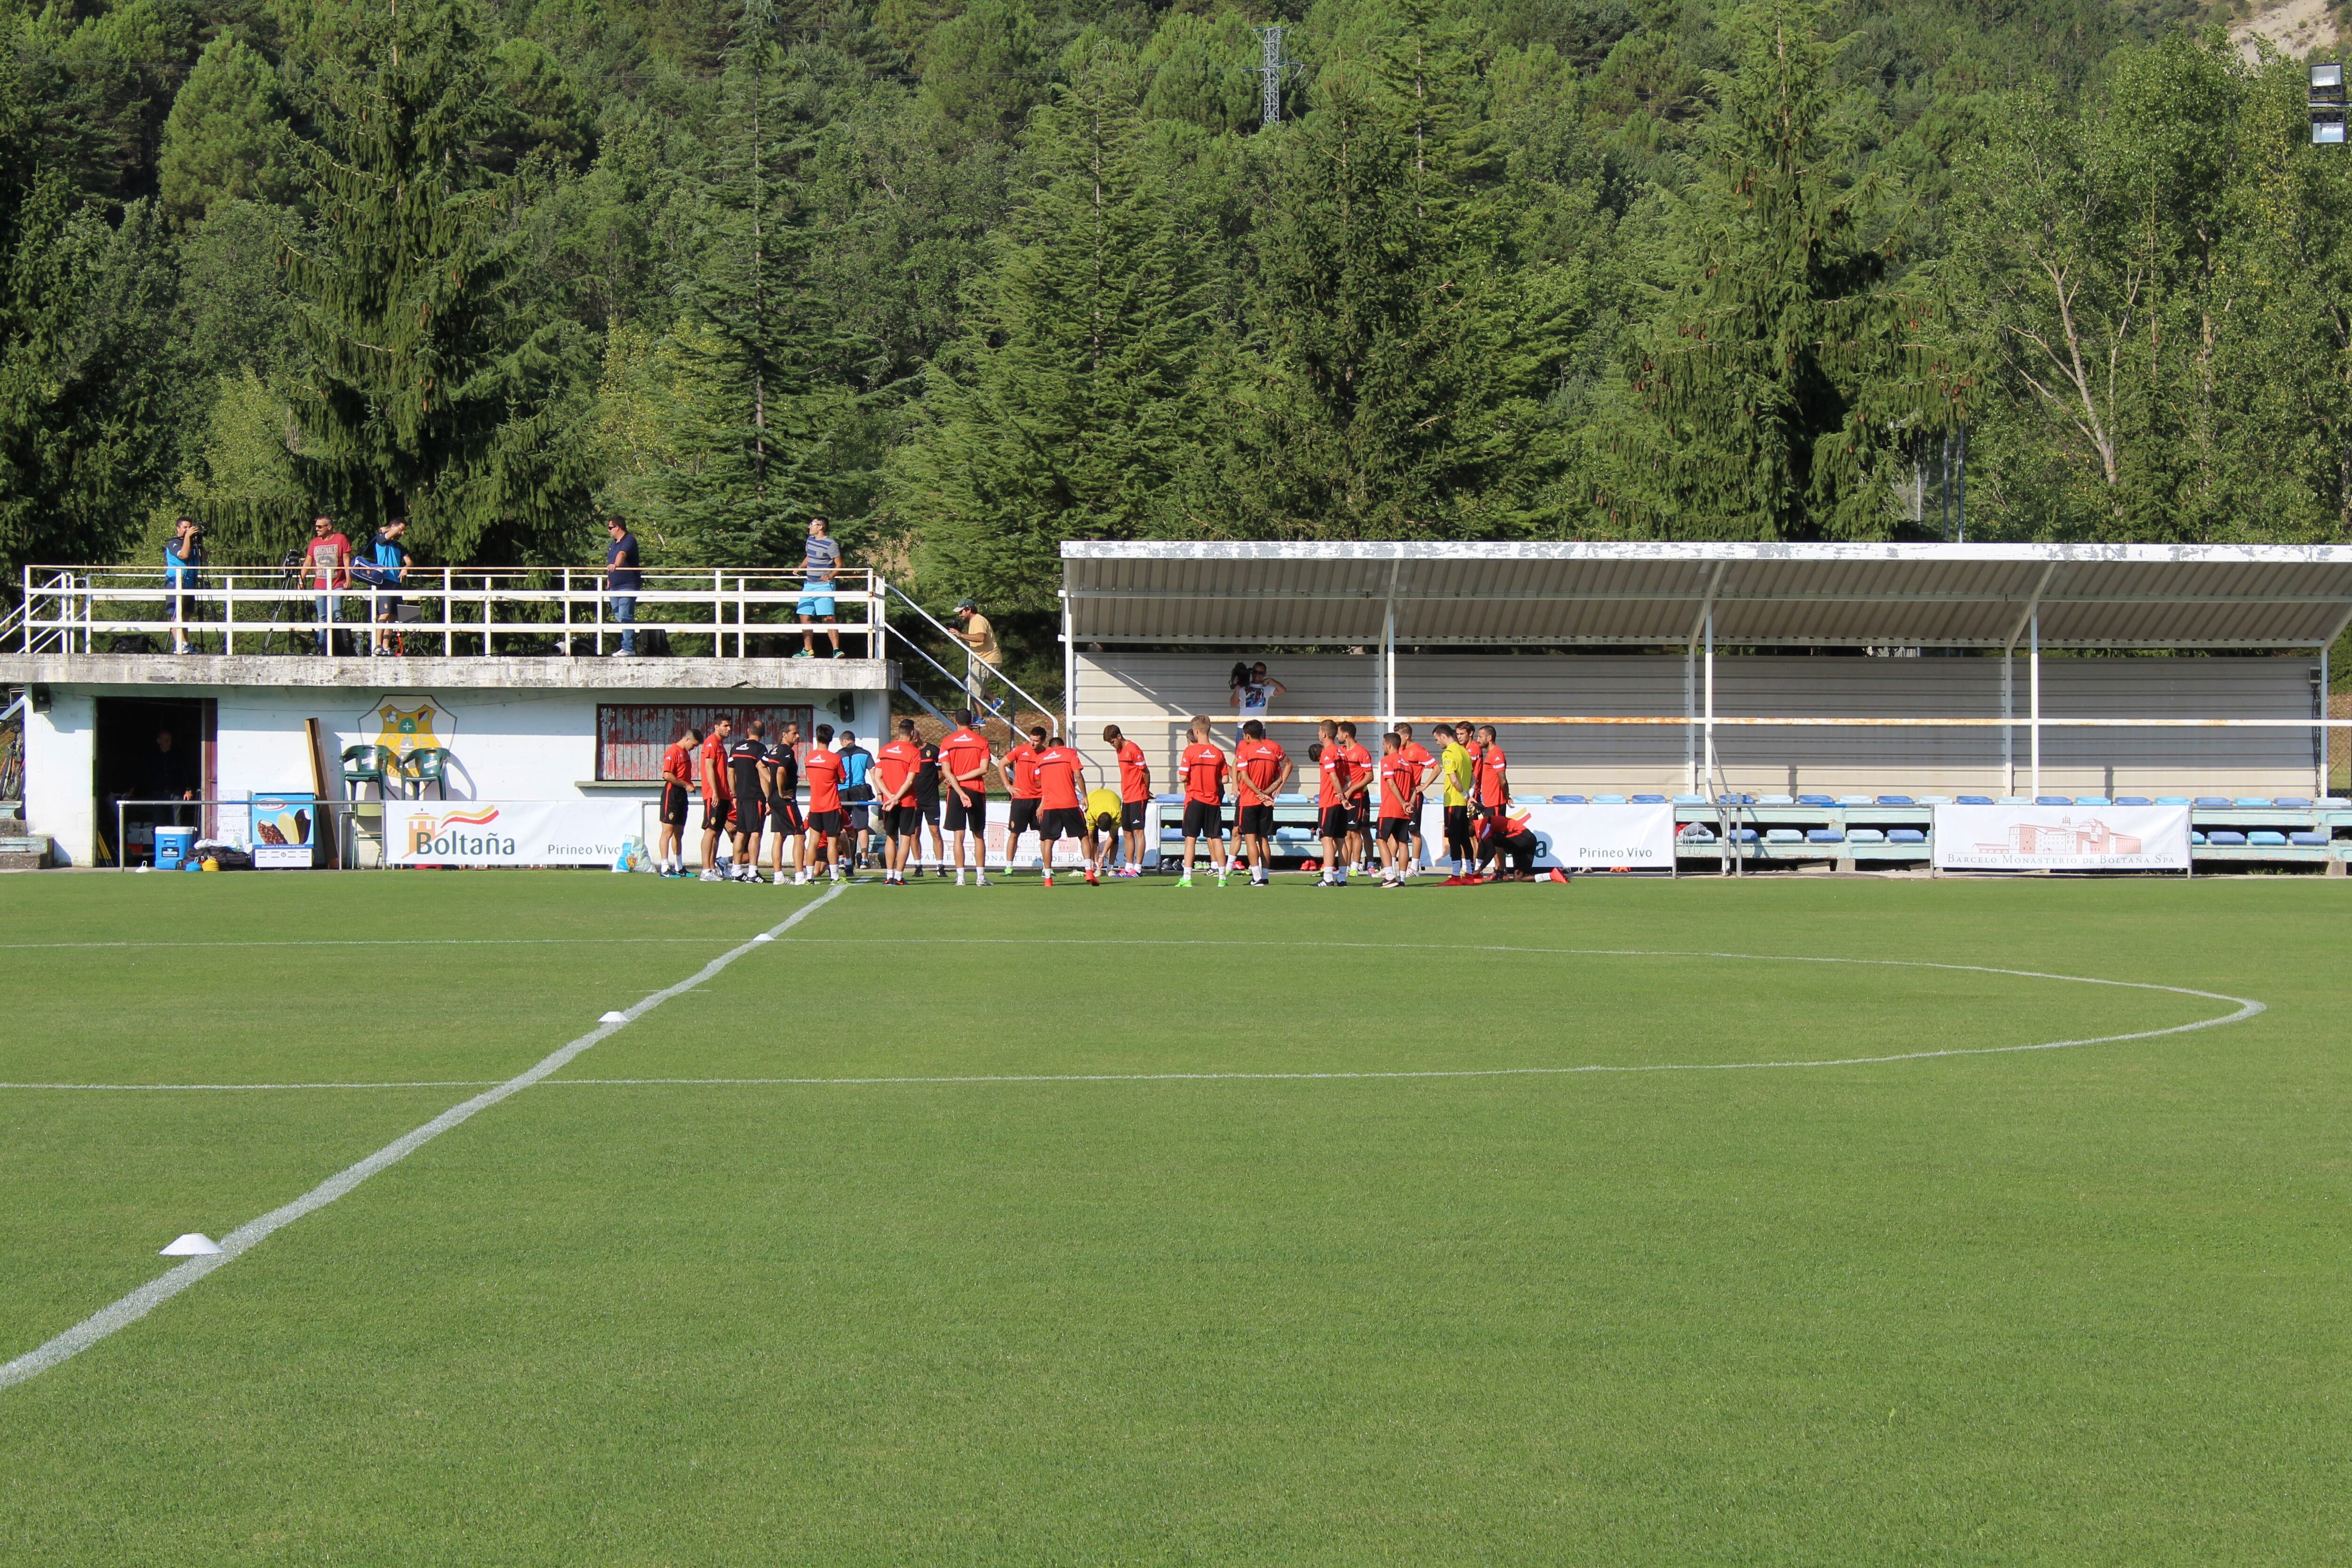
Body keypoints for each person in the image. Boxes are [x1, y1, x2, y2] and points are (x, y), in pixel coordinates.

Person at [1232, 719, 1293, 888]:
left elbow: (1244, 777)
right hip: (1266, 802)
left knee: (1250, 839)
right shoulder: (1274, 748)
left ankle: (1257, 877)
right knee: (1264, 839)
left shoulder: (1246, 750)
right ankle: (1265, 877)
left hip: (1250, 800)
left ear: (1247, 735)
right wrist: (1271, 791)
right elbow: (1287, 767)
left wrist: (1259, 793)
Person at [938, 709, 992, 886]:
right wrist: (963, 781)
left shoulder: (947, 742)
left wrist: (958, 782)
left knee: (958, 836)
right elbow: (984, 769)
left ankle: (960, 878)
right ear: (972, 721)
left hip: (955, 791)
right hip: (975, 790)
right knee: (978, 835)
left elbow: (946, 771)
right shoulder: (981, 741)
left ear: (955, 721)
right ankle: (981, 877)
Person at [1176, 715, 1230, 888]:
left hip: (1194, 799)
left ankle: (1187, 878)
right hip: (1213, 801)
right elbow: (1226, 779)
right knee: (1216, 838)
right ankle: (1222, 878)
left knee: (1190, 839)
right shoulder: (1218, 753)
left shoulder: (1190, 752)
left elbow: (1183, 776)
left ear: (1196, 731)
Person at [1032, 726, 1088, 887]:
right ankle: (1089, 871)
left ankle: (1048, 878)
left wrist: (1045, 798)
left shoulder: (1041, 758)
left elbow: (1038, 781)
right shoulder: (1070, 753)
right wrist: (1084, 796)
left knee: (1048, 841)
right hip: (1069, 803)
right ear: (1063, 746)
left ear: (1050, 747)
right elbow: (1078, 775)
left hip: (1050, 806)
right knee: (1083, 836)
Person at [876, 718, 924, 886]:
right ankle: (898, 877)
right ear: (912, 733)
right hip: (907, 801)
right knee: (905, 838)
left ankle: (889, 875)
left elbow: (877, 777)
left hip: (888, 802)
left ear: (899, 732)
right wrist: (896, 798)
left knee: (890, 837)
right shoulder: (913, 752)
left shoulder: (885, 750)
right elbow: (910, 781)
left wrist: (889, 796)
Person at [1103, 724, 1151, 877]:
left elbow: (1145, 772)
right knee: (1127, 831)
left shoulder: (1133, 750)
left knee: (1138, 831)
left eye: (1112, 742)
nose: (1112, 745)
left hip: (1138, 795)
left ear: (1119, 736)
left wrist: (1145, 790)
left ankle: (1138, 868)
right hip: (1127, 796)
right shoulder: (1119, 751)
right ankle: (1128, 866)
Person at [801, 724, 847, 882]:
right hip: (831, 805)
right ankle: (835, 876)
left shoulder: (809, 758)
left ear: (817, 737)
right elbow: (842, 779)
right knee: (832, 842)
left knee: (813, 841)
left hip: (815, 806)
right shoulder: (835, 758)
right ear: (831, 739)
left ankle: (809, 877)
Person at [1376, 732, 1422, 889]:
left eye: (1383, 744)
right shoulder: (1407, 764)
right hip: (1404, 811)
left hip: (1390, 808)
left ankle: (1390, 876)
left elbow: (1391, 783)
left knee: (1381, 839)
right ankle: (1402, 879)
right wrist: (1410, 804)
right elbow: (1414, 789)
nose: (1383, 746)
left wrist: (1403, 802)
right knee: (1402, 842)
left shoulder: (1387, 761)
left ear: (1389, 745)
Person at [762, 721, 805, 884]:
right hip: (785, 801)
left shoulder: (773, 751)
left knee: (779, 836)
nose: (798, 736)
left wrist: (771, 789)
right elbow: (780, 771)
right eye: (794, 733)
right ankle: (800, 876)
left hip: (774, 800)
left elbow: (760, 765)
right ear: (784, 735)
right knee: (799, 835)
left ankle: (778, 876)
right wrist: (781, 791)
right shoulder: (787, 752)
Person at [727, 718, 770, 882]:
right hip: (756, 797)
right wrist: (768, 798)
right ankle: (752, 872)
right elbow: (762, 774)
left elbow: (730, 773)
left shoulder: (736, 747)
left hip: (742, 797)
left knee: (741, 833)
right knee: (755, 834)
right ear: (763, 734)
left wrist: (735, 794)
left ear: (748, 731)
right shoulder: (760, 749)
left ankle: (737, 871)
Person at [795, 517, 842, 659]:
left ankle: (836, 650)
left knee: (828, 617)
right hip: (809, 584)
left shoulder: (831, 544)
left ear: (820, 527)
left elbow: (839, 565)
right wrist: (800, 568)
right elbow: (809, 557)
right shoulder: (810, 541)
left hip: (824, 586)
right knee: (804, 615)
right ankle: (808, 650)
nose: (809, 527)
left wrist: (830, 575)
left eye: (812, 525)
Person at [1001, 724, 1044, 876]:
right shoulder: (1020, 750)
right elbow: (1002, 764)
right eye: (1031, 740)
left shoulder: (1047, 755)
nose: (1032, 743)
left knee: (1044, 834)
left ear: (1043, 741)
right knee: (1014, 834)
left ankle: (1047, 868)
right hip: (1020, 799)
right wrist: (1008, 786)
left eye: (1036, 741)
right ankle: (1009, 867)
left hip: (1039, 800)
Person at [1313, 720, 1353, 886]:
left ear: (1324, 734)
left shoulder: (1327, 753)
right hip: (1338, 802)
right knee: (1341, 840)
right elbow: (1350, 780)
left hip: (1330, 802)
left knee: (1327, 839)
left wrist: (1340, 796)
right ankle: (1342, 878)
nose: (1318, 734)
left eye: (1319, 732)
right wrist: (1342, 796)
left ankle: (1328, 877)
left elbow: (1334, 778)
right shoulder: (1342, 753)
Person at [365, 517, 412, 656]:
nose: (402, 533)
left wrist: (406, 568)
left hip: (396, 582)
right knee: (384, 613)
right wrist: (387, 529)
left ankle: (386, 646)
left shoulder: (399, 546)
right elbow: (389, 532)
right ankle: (378, 645)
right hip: (385, 581)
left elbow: (409, 561)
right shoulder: (381, 541)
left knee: (393, 615)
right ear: (394, 528)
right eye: (401, 529)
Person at [305, 515, 351, 655]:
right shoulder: (314, 543)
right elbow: (308, 562)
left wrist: (349, 579)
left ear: (329, 527)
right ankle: (321, 648)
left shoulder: (341, 539)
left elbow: (346, 561)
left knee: (338, 614)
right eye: (316, 526)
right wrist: (301, 579)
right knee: (322, 617)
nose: (317, 529)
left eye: (320, 526)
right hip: (320, 584)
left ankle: (342, 647)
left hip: (337, 583)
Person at [697, 715, 734, 881]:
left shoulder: (720, 745)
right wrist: (714, 791)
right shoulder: (711, 742)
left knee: (717, 832)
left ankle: (712, 868)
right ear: (716, 726)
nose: (729, 729)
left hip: (724, 795)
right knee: (710, 831)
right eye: (725, 726)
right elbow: (709, 767)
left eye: (730, 726)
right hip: (715, 795)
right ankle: (705, 870)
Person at [657, 722, 697, 876]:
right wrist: (685, 785)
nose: (694, 748)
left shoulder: (685, 753)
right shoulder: (673, 751)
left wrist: (688, 785)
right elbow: (667, 775)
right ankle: (664, 868)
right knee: (667, 831)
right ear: (687, 739)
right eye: (693, 745)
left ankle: (679, 866)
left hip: (682, 795)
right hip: (672, 793)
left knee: (679, 832)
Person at [1395, 723, 1435, 876]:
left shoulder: (1418, 751)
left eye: (1399, 737)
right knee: (1396, 832)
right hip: (1399, 797)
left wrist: (1424, 786)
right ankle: (1391, 867)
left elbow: (1436, 768)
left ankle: (1415, 867)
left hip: (1413, 797)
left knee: (1414, 831)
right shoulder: (1398, 750)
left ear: (1407, 736)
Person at [1335, 721, 1375, 875]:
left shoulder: (1362, 752)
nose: (1337, 736)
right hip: (1346, 796)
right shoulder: (1341, 751)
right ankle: (1347, 865)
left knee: (1358, 831)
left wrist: (1352, 789)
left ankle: (1356, 866)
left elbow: (1370, 776)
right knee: (1347, 832)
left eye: (1338, 733)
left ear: (1346, 734)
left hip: (1359, 796)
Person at [1439, 723, 1477, 875]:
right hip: (1462, 802)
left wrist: (1466, 796)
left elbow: (1454, 780)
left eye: (1437, 740)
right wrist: (1470, 795)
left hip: (1453, 801)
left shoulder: (1449, 753)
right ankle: (1470, 873)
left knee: (1454, 838)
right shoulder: (1464, 751)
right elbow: (1474, 778)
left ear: (1443, 736)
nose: (1438, 743)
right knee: (1464, 838)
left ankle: (1455, 874)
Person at [950, 600, 1001, 710]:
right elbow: (974, 643)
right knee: (968, 684)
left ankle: (980, 719)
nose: (960, 615)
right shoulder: (974, 622)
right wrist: (960, 636)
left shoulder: (978, 620)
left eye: (962, 612)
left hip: (986, 660)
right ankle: (994, 700)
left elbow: (980, 638)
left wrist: (961, 635)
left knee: (973, 689)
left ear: (969, 610)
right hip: (985, 660)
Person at [163, 518, 203, 654]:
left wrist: (199, 543)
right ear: (178, 529)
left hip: (190, 583)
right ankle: (179, 644)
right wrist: (187, 538)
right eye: (185, 527)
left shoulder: (191, 544)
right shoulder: (174, 543)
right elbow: (184, 555)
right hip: (175, 582)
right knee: (176, 614)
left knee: (186, 615)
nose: (188, 530)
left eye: (190, 527)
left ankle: (185, 644)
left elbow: (204, 558)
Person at [837, 728, 874, 868]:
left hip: (842, 793)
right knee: (862, 826)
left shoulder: (838, 756)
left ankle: (842, 859)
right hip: (860, 792)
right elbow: (874, 773)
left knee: (841, 826)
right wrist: (880, 793)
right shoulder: (866, 754)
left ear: (844, 741)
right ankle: (864, 860)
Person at [604, 517, 641, 657]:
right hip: (614, 586)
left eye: (610, 528)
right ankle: (629, 644)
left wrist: (616, 565)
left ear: (618, 527)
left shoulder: (630, 540)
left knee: (625, 615)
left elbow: (622, 555)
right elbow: (610, 561)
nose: (609, 531)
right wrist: (609, 579)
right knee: (619, 615)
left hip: (628, 585)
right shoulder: (613, 544)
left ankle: (628, 648)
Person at [913, 732, 946, 876]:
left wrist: (932, 785)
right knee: (915, 833)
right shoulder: (909, 753)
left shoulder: (933, 751)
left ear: (916, 738)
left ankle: (940, 867)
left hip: (931, 799)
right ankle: (918, 867)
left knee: (935, 832)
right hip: (913, 800)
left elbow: (943, 772)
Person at [1475, 811, 1540, 881]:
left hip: (1524, 838)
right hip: (1520, 845)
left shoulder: (1483, 827)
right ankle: (1550, 876)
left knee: (1490, 841)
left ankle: (1501, 872)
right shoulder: (1481, 827)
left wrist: (1479, 869)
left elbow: (1491, 852)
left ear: (1471, 826)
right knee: (1518, 879)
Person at [1475, 724, 1510, 847]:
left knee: (1497, 837)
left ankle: (1501, 867)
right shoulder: (1490, 754)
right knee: (1491, 836)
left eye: (1480, 737)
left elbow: (1503, 780)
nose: (1477, 740)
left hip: (1496, 802)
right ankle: (1499, 866)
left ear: (1489, 738)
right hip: (1490, 802)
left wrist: (1506, 796)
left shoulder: (1497, 754)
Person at [1232, 661, 1287, 726]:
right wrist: (1237, 688)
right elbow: (1233, 704)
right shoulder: (1243, 687)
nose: (1257, 675)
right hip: (1243, 726)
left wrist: (1271, 680)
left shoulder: (1267, 688)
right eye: (1255, 672)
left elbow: (1283, 691)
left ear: (1264, 674)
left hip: (1260, 727)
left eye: (1261, 673)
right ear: (1252, 673)